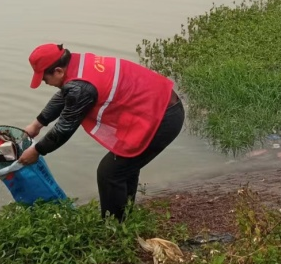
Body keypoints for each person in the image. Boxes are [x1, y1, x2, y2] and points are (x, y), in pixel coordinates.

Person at [19, 43, 184, 221]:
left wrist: (37, 151)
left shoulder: (80, 87)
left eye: (45, 79)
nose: (46, 83)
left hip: (161, 117)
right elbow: (66, 94)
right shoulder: (77, 64)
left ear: (58, 71)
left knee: (110, 173)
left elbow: (64, 128)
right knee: (123, 168)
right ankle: (124, 220)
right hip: (150, 108)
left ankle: (112, 228)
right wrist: (38, 123)